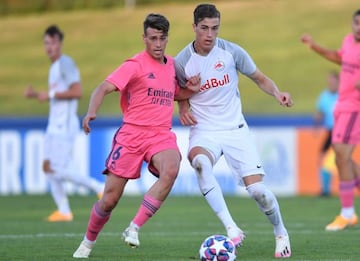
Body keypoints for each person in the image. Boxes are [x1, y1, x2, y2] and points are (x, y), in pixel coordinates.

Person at [72, 13, 200, 258]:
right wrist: (90, 112)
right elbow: (103, 87)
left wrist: (189, 91)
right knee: (109, 200)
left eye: (162, 38)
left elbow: (173, 92)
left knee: (171, 169)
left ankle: (135, 226)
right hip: (131, 135)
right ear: (144, 38)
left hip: (160, 135)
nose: (158, 44)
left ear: (167, 38)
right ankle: (87, 243)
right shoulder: (134, 65)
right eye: (153, 38)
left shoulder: (173, 65)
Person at [175, 3, 292, 258]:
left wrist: (277, 93)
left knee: (259, 193)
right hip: (204, 129)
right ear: (194, 27)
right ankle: (232, 228)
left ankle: (281, 231)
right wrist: (183, 107)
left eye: (214, 28)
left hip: (235, 129)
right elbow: (177, 91)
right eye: (204, 28)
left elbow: (260, 78)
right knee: (200, 164)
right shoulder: (181, 61)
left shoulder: (231, 52)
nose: (209, 34)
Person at [24, 25, 104, 222]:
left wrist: (49, 94)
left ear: (59, 43)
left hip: (63, 126)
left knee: (57, 168)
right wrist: (37, 95)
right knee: (47, 167)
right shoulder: (54, 68)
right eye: (46, 43)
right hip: (54, 125)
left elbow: (77, 92)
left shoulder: (65, 63)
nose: (48, 47)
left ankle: (98, 187)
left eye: (52, 42)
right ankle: (64, 210)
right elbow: (56, 96)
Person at [301, 9, 360, 231]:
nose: (359, 27)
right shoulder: (348, 41)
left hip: (355, 108)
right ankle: (348, 213)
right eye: (356, 23)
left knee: (342, 155)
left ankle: (347, 213)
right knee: (340, 157)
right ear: (352, 23)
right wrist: (314, 45)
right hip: (341, 107)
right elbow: (338, 57)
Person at [313, 71, 339, 197]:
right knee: (323, 157)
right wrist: (316, 126)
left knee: (341, 160)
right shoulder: (324, 96)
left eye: (333, 82)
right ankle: (325, 189)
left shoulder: (343, 95)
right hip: (331, 131)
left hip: (342, 131)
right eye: (329, 82)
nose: (331, 84)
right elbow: (320, 112)